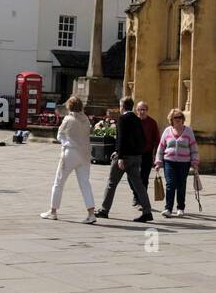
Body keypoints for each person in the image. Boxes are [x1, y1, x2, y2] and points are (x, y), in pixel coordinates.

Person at [94, 97, 154, 222]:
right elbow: (142, 139)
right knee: (139, 185)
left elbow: (121, 139)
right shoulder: (137, 119)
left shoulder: (123, 118)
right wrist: (138, 153)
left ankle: (104, 210)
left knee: (111, 183)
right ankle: (147, 211)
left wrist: (120, 156)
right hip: (136, 157)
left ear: (122, 106)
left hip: (124, 157)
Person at [41, 95, 95, 223]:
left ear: (69, 107)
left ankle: (53, 211)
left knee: (59, 182)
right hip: (85, 154)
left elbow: (60, 136)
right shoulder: (86, 120)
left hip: (70, 152)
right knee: (85, 184)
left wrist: (66, 142)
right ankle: (91, 213)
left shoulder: (68, 119)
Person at [156, 108, 199, 218]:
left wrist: (194, 161)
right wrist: (158, 161)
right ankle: (168, 208)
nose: (178, 120)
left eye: (180, 117)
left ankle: (180, 208)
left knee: (181, 185)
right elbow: (161, 147)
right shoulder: (167, 131)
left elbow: (193, 147)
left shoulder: (188, 131)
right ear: (171, 119)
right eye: (176, 118)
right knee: (170, 184)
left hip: (184, 163)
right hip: (169, 162)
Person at [133, 101, 161, 207]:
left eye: (144, 109)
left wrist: (156, 155)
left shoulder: (152, 122)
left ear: (147, 110)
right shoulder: (133, 122)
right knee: (134, 177)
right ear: (136, 110)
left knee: (144, 178)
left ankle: (141, 200)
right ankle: (135, 196)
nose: (142, 111)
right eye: (140, 109)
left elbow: (157, 139)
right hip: (134, 154)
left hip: (147, 154)